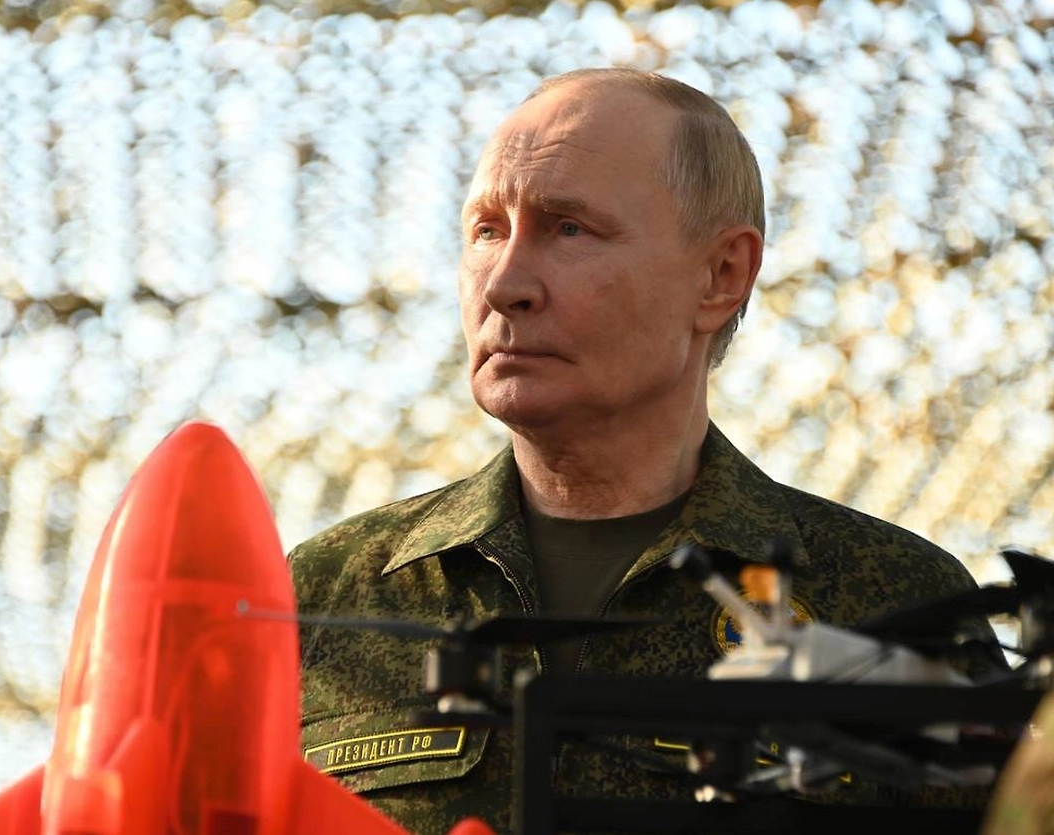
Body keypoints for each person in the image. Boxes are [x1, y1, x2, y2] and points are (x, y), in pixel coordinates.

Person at [288, 68, 999, 835]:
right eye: (487, 231)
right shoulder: (325, 597)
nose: (504, 285)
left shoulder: (893, 604)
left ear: (721, 275)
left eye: (569, 229)